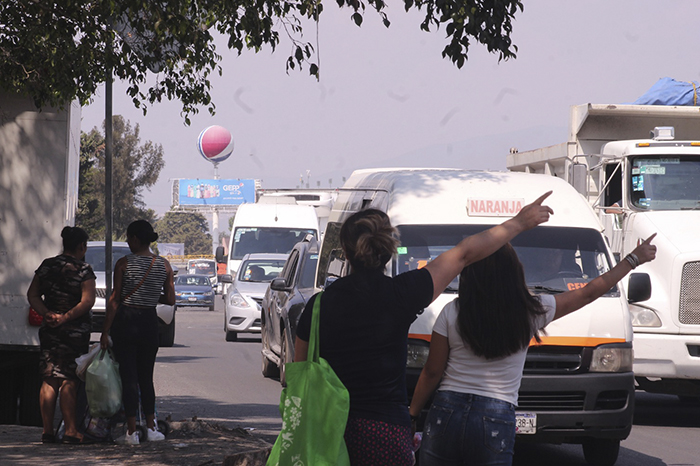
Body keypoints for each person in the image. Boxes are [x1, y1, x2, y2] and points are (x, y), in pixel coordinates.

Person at [294, 192, 554, 466]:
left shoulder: (318, 306)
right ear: (388, 250)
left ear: (345, 252)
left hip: (327, 433)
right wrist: (519, 223)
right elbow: (465, 253)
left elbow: (298, 371)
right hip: (386, 435)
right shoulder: (402, 294)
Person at [408, 235, 657, 466]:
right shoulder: (531, 311)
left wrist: (412, 415)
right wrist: (632, 259)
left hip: (447, 410)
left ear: (469, 273)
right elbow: (588, 293)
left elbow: (432, 372)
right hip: (496, 413)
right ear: (513, 273)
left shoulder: (451, 311)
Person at [100, 220, 176, 445]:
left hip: (126, 322)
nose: (127, 242)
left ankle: (132, 432)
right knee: (146, 377)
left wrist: (105, 331)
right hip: (149, 324)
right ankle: (151, 428)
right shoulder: (164, 265)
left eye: (128, 238)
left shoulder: (123, 263)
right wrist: (151, 296)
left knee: (129, 378)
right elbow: (170, 299)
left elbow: (115, 300)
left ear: (134, 239)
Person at [27, 226, 96, 444]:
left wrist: (47, 313)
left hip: (50, 331)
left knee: (49, 378)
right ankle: (71, 431)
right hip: (74, 333)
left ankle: (47, 431)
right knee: (69, 380)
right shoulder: (83, 269)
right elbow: (88, 301)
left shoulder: (47, 266)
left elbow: (32, 294)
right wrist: (65, 318)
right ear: (82, 246)